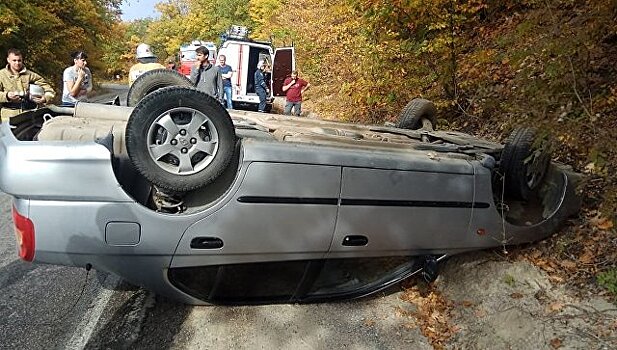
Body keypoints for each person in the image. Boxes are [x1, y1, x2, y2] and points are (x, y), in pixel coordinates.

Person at [0, 48, 55, 122]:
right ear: (8, 60)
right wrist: (7, 96)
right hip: (8, 116)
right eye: (14, 60)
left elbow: (49, 89)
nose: (17, 63)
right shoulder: (1, 75)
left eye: (19, 60)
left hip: (29, 116)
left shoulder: (31, 75)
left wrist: (45, 98)